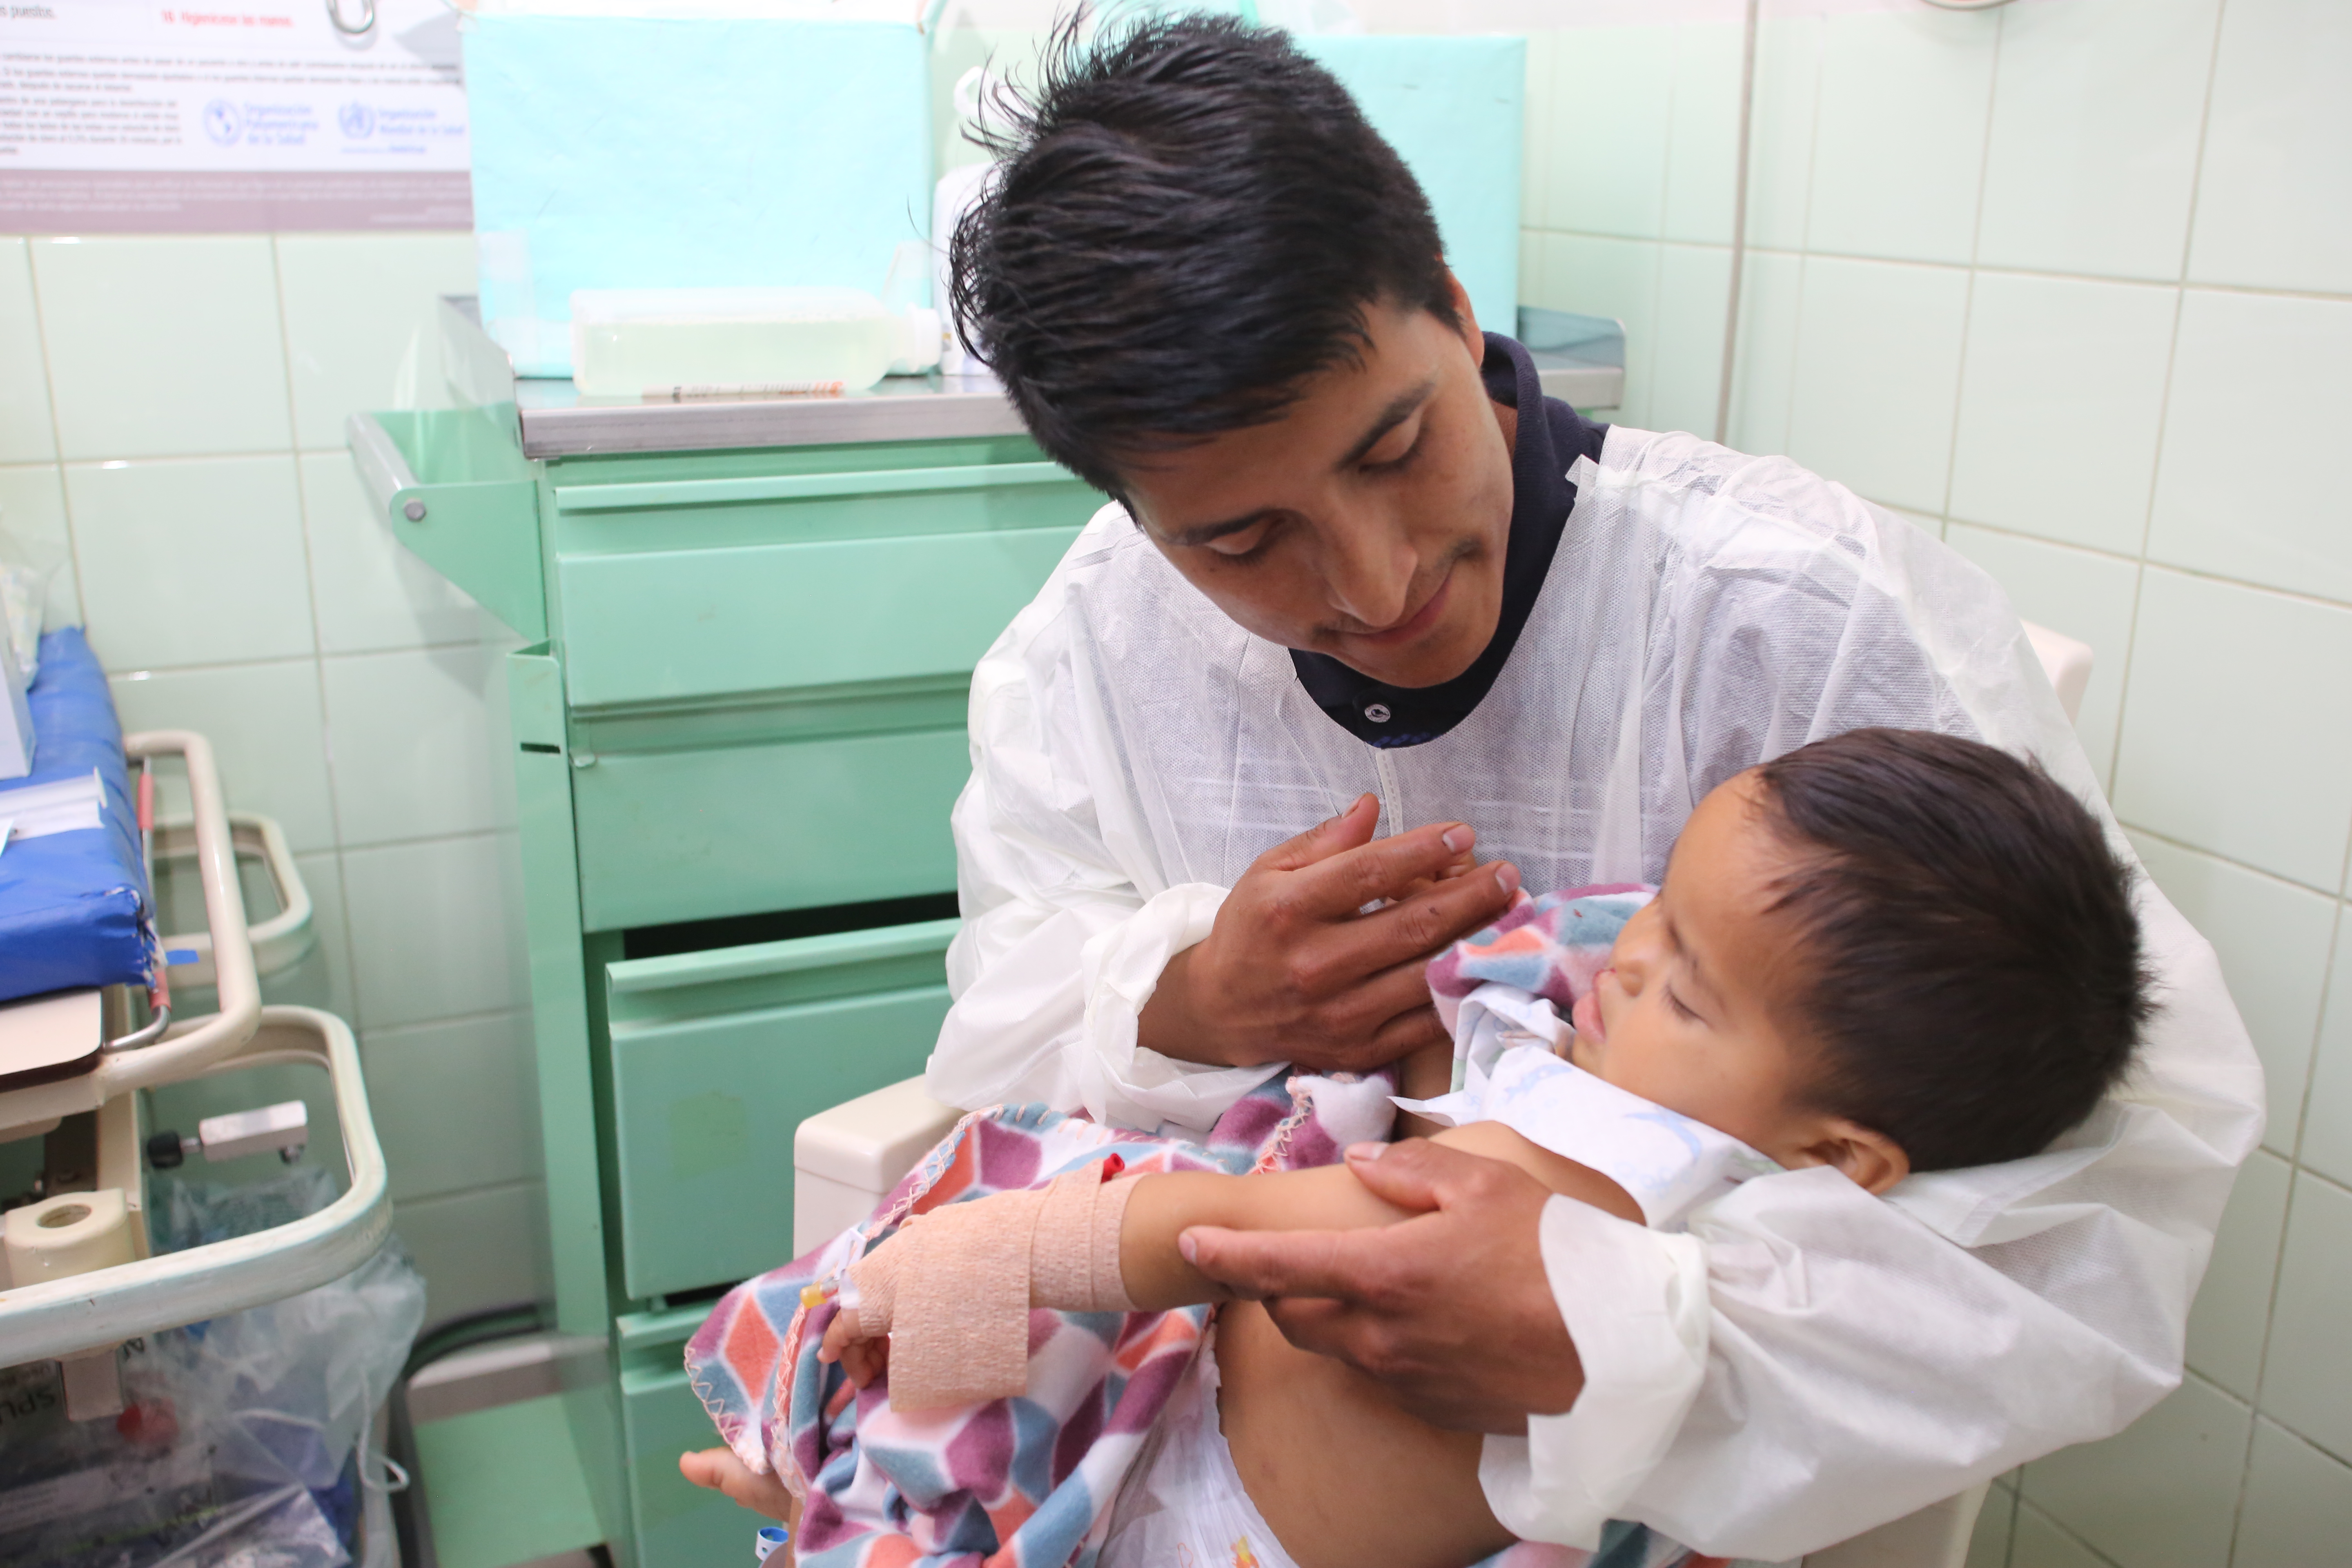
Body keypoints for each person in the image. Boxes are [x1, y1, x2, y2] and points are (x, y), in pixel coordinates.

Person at [689, 16, 2262, 1559]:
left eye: (1395, 449)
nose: (1374, 586)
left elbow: (2105, 1204)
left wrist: (1640, 1337)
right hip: (1154, 1425)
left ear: (1453, 306)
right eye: (1242, 540)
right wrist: (1193, 1001)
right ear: (1136, 515)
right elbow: (1020, 1031)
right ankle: (866, 1475)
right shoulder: (1095, 653)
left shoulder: (1793, 620)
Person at [815, 729, 2153, 1568]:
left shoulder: (1636, 1186)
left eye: (1688, 994)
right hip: (1181, 1426)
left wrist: (976, 1260)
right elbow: (1443, 1096)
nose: (1629, 957)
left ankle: (844, 1452)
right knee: (942, 1381)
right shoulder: (1663, 1085)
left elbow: (1238, 1242)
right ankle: (840, 1457)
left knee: (970, 1280)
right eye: (1663, 908)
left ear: (1842, 1156)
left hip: (1215, 1529)